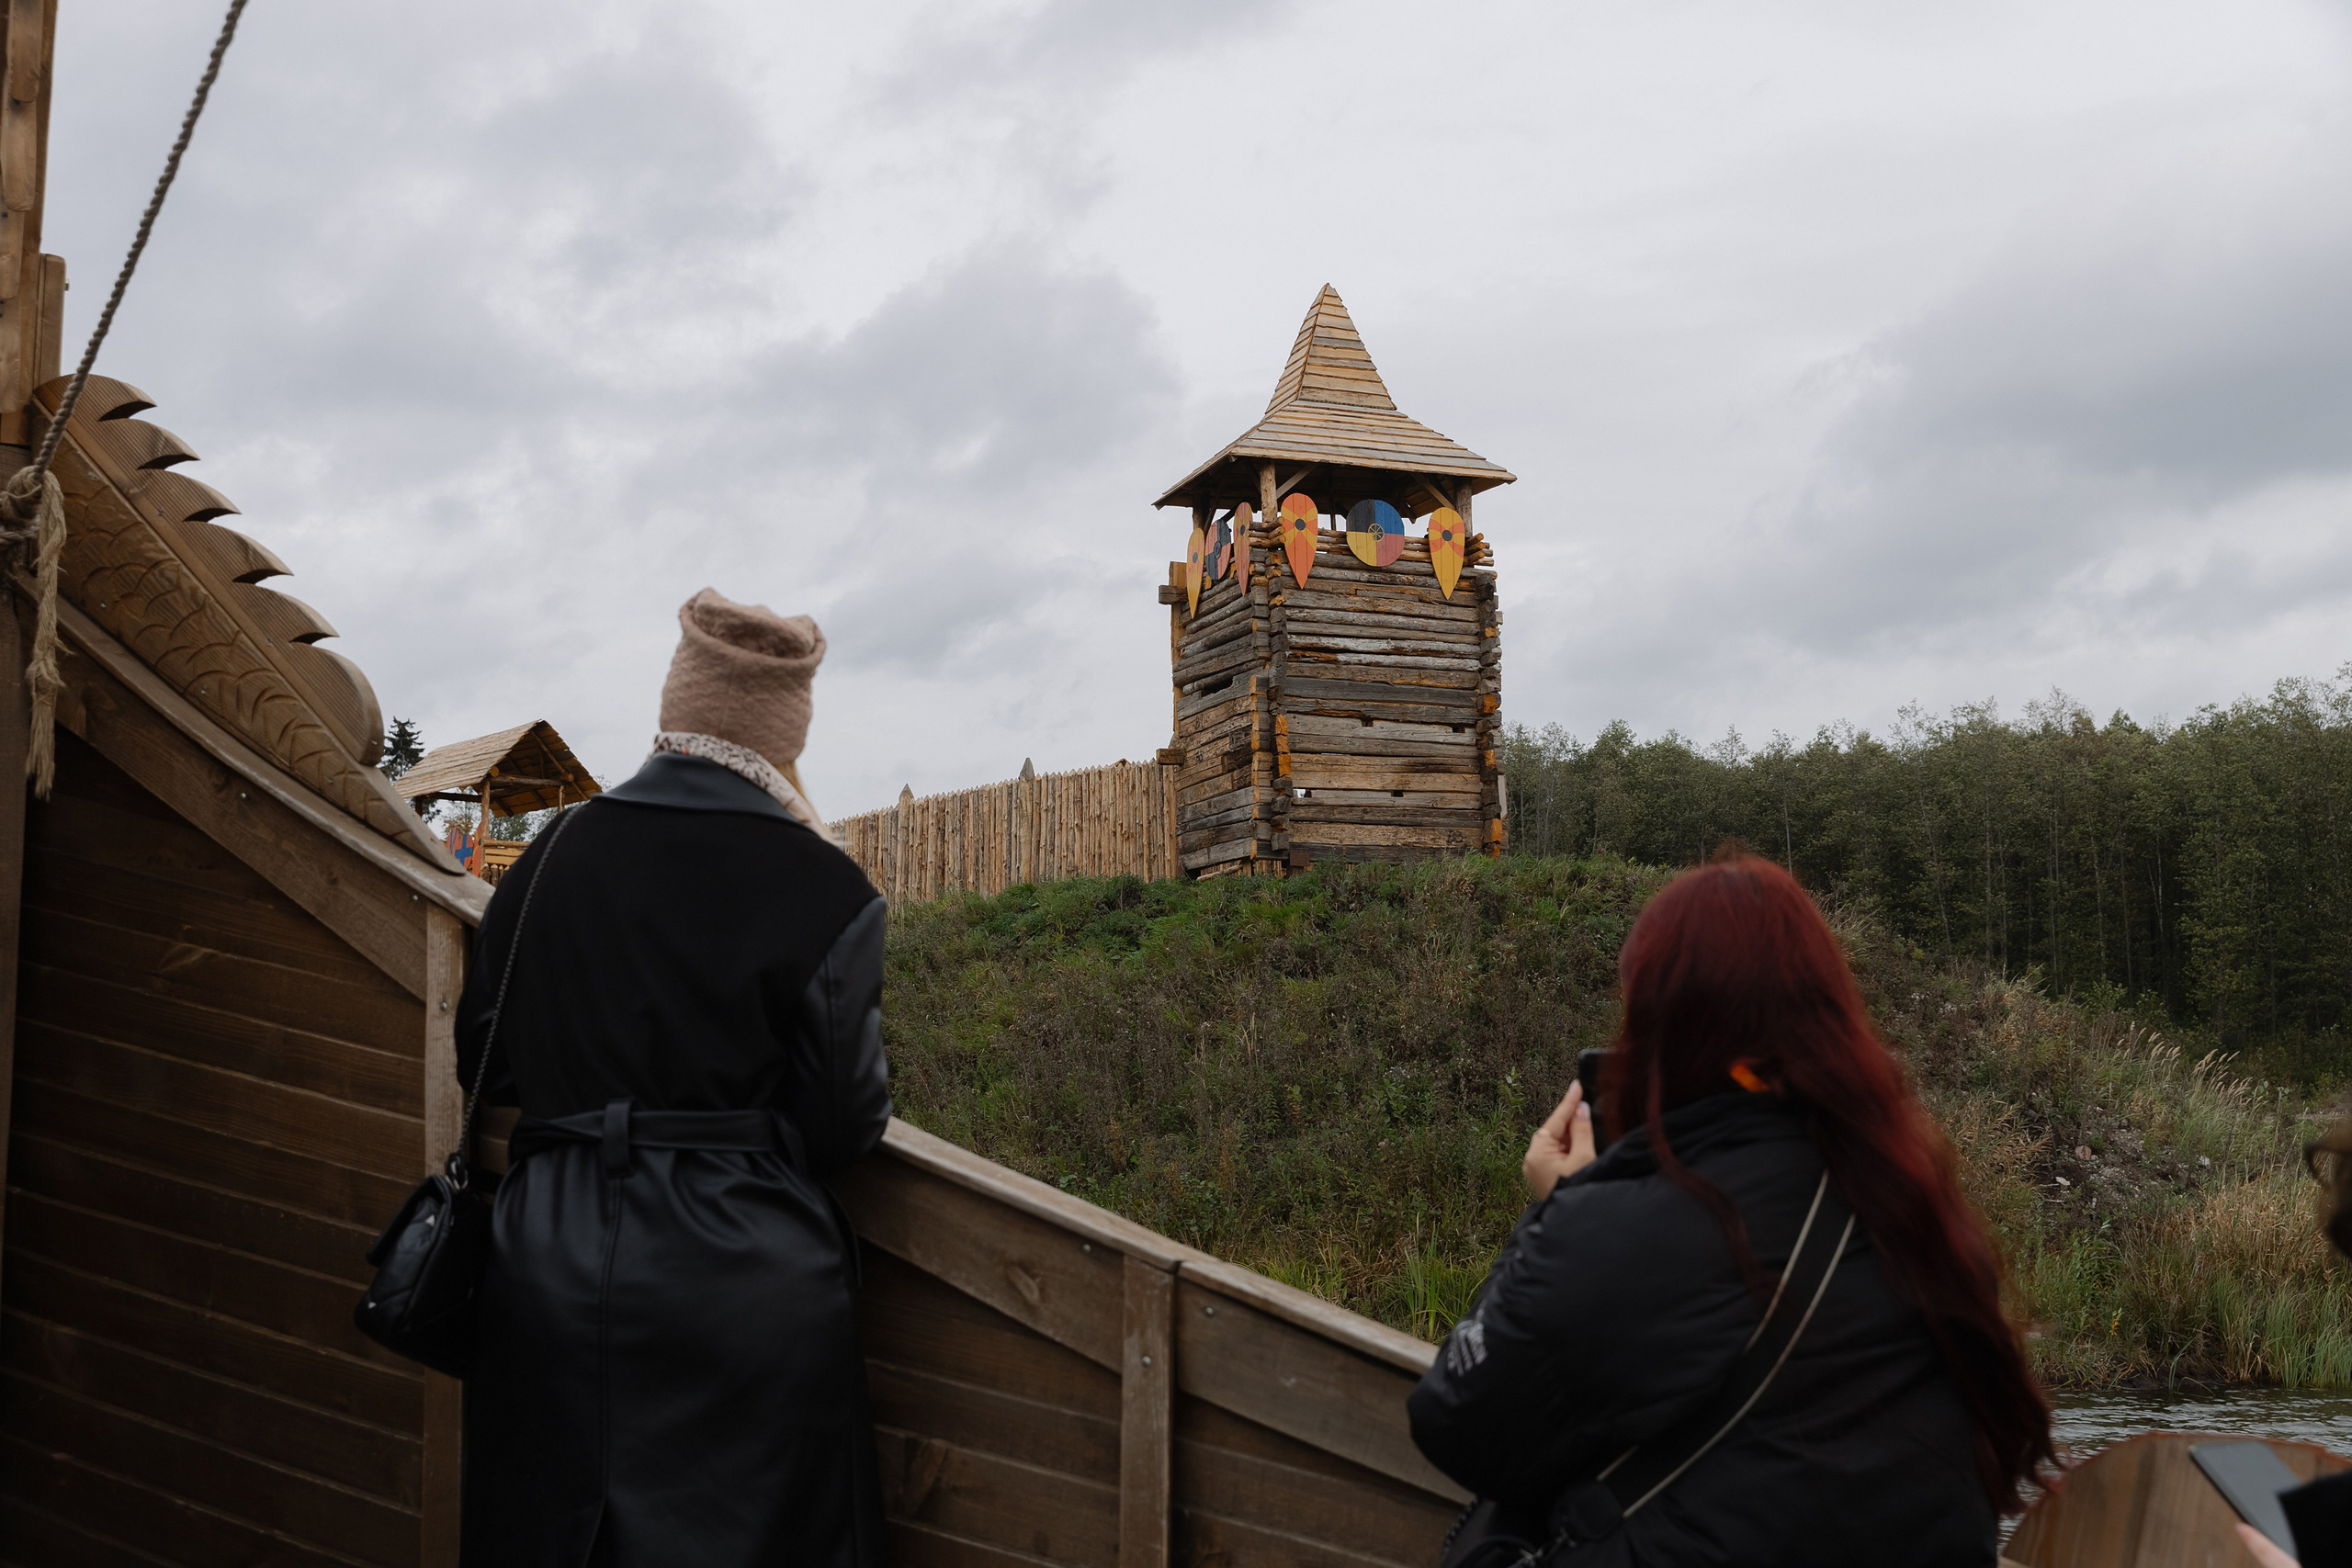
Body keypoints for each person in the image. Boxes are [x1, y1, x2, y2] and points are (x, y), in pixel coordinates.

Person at [1409, 851, 2052, 1565]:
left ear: (1668, 1026)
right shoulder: (1907, 1202)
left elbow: (1455, 1418)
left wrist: (1563, 1207)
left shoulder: (1646, 1226)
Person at [456, 589, 891, 1567]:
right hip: (740, 1282)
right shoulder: (830, 889)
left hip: (548, 1264)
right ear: (788, 734)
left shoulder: (545, 859)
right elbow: (839, 1126)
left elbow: (481, 1056)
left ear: (674, 712)